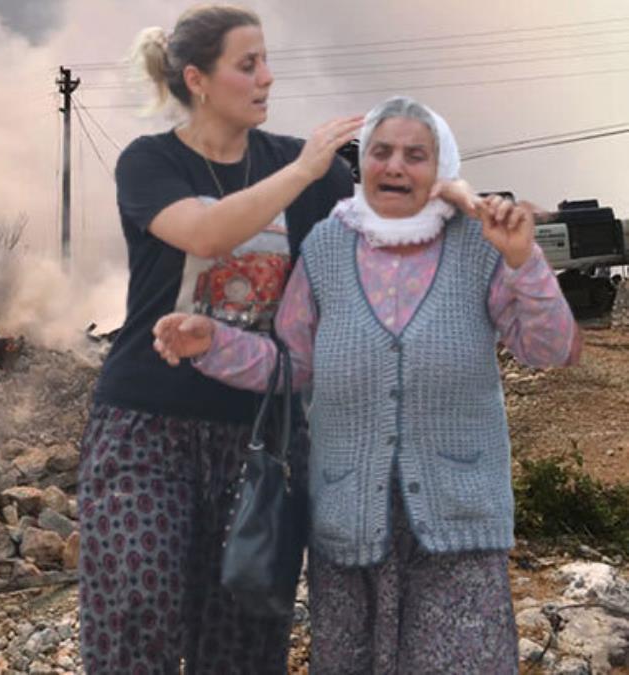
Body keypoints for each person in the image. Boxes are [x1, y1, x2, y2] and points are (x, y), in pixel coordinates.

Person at [77, 5, 478, 673]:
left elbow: (385, 223)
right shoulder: (150, 163)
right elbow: (207, 235)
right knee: (134, 613)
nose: (267, 76)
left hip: (261, 436)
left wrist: (456, 199)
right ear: (199, 80)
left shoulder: (313, 169)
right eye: (248, 63)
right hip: (143, 427)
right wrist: (302, 171)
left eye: (266, 60)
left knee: (243, 639)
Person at [152, 95, 580, 672]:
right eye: (381, 151)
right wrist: (213, 343)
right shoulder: (327, 249)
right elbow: (293, 364)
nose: (395, 166)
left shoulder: (481, 246)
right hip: (348, 525)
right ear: (364, 164)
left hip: (460, 528)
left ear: (442, 167)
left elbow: (549, 348)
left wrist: (524, 262)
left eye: (415, 154)